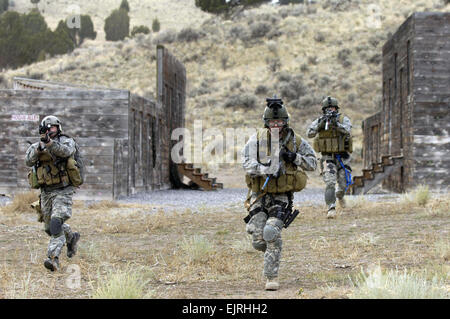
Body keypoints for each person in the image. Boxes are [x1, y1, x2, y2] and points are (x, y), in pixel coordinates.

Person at [242, 96, 317, 291]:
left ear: (286, 122)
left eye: (280, 122)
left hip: (282, 196)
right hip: (259, 194)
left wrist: (295, 157)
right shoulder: (256, 139)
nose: (276, 125)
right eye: (272, 122)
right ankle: (271, 247)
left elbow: (313, 163)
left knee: (271, 233)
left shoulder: (295, 140)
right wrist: (264, 169)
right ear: (266, 123)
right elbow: (246, 163)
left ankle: (271, 277)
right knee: (259, 242)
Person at [25, 115, 81, 271]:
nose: (50, 130)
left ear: (58, 128)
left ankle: (53, 258)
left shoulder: (67, 141)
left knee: (56, 223)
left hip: (63, 190)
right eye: (46, 129)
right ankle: (71, 238)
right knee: (49, 228)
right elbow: (28, 161)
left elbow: (66, 151)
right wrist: (39, 148)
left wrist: (49, 143)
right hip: (46, 192)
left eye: (52, 128)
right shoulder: (38, 145)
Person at [307, 96, 353, 219]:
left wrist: (336, 125)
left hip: (342, 158)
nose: (330, 110)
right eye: (327, 108)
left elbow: (348, 130)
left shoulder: (343, 119)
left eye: (332, 108)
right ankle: (331, 208)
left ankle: (340, 196)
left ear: (336, 108)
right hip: (327, 158)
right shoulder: (320, 121)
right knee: (330, 183)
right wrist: (320, 126)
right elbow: (309, 133)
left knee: (343, 184)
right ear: (323, 110)